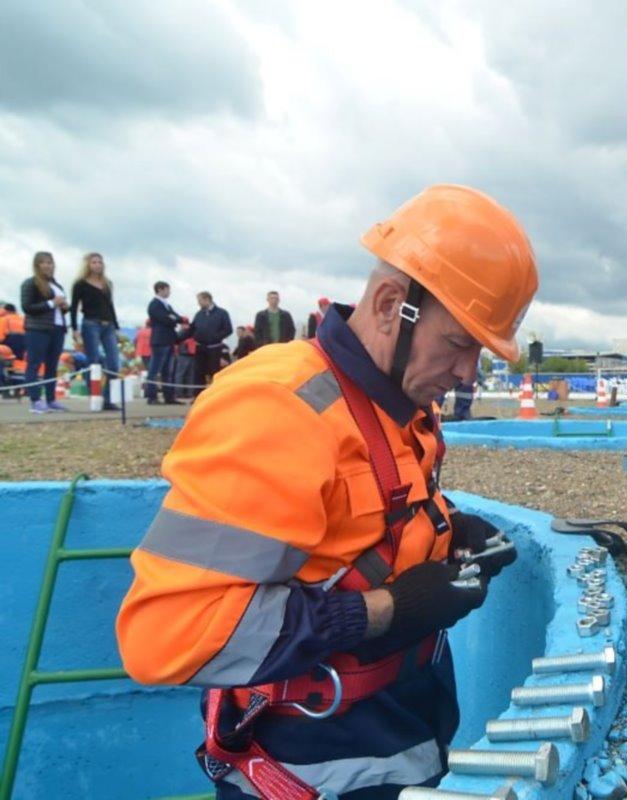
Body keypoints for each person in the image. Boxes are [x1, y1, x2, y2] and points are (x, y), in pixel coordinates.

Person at [116, 185, 538, 800]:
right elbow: (169, 634)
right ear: (394, 304)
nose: (470, 372)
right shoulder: (279, 409)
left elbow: (358, 528)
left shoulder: (399, 401)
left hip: (403, 728)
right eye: (459, 342)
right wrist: (388, 611)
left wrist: (452, 530)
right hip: (314, 760)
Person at [19, 252, 69, 413]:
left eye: (50, 262)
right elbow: (27, 307)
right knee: (34, 364)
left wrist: (65, 308)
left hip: (58, 329)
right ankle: (35, 400)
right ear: (37, 265)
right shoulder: (30, 283)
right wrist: (51, 303)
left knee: (52, 366)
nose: (47, 265)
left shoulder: (57, 285)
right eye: (43, 262)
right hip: (38, 329)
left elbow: (59, 308)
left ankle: (51, 399)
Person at [70, 252, 121, 411]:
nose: (97, 265)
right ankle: (95, 395)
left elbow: (110, 305)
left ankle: (108, 399)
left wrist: (116, 326)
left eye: (99, 262)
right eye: (94, 262)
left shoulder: (107, 283)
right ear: (88, 265)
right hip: (90, 323)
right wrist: (74, 328)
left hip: (108, 325)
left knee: (114, 363)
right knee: (94, 362)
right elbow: (74, 306)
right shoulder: (80, 284)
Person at [146, 281, 185, 405]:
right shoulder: (154, 305)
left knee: (168, 371)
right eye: (167, 290)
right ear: (160, 290)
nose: (169, 292)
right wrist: (174, 319)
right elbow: (165, 318)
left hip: (168, 340)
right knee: (154, 369)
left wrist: (176, 319)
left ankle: (169, 396)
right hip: (160, 340)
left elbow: (175, 317)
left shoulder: (166, 305)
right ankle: (151, 396)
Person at [190, 291, 233, 394]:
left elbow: (228, 329)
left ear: (207, 299)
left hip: (214, 348)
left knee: (215, 373)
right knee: (198, 373)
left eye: (199, 301)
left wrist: (215, 337)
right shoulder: (199, 314)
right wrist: (178, 338)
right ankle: (198, 396)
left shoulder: (222, 313)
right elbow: (192, 329)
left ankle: (216, 394)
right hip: (200, 348)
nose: (198, 303)